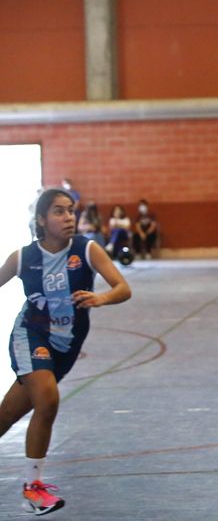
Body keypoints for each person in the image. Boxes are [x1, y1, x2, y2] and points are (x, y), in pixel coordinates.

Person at [0, 188, 132, 515]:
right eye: (59, 211)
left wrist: (102, 298)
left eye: (71, 210)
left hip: (66, 345)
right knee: (48, 400)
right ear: (42, 220)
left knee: (7, 415)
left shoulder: (87, 249)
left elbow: (123, 288)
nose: (69, 217)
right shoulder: (22, 258)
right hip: (29, 335)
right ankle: (33, 489)